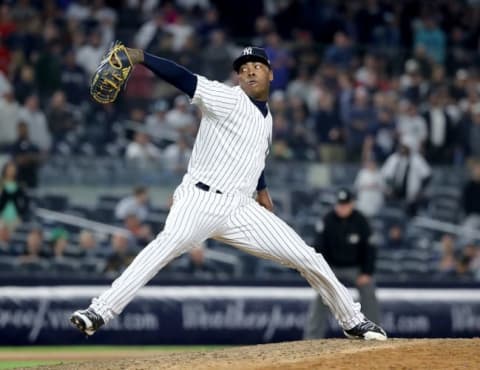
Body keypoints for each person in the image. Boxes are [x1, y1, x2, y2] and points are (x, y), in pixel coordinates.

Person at [71, 44, 387, 340]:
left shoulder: (267, 119)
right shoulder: (228, 98)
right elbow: (183, 77)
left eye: (257, 66)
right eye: (244, 67)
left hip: (241, 208)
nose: (250, 71)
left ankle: (352, 321)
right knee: (162, 248)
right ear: (238, 76)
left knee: (309, 257)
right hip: (200, 199)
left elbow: (254, 155)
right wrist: (140, 56)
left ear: (271, 74)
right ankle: (98, 312)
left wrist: (262, 191)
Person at [304, 188, 381, 339]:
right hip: (332, 268)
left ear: (352, 204)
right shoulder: (327, 220)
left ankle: (375, 332)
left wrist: (367, 272)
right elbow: (319, 248)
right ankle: (312, 337)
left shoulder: (361, 221)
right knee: (322, 294)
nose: (342, 208)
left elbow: (370, 249)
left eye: (345, 204)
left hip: (355, 268)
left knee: (368, 289)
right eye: (340, 204)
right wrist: (324, 274)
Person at [0, 161, 29, 229]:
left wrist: (20, 214)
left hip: (14, 215)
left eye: (13, 170)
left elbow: (25, 201)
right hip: (2, 215)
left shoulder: (20, 185)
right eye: (9, 170)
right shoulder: (1, 184)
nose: (11, 172)